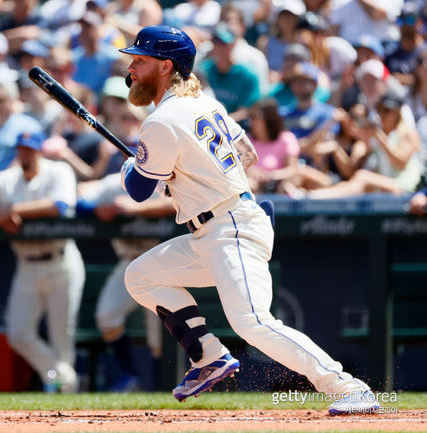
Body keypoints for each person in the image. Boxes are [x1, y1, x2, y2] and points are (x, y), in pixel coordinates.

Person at [117, 24, 379, 414]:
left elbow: (137, 190)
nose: (133, 68)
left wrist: (131, 166)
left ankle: (347, 386)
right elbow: (249, 154)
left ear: (166, 66)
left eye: (141, 60)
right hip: (214, 227)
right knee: (140, 276)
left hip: (229, 227)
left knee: (252, 322)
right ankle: (208, 357)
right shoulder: (206, 103)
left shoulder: (162, 120)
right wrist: (186, 174)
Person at [0, 132, 84, 393]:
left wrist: (13, 211)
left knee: (62, 339)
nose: (25, 154)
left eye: (30, 149)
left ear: (39, 151)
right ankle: (62, 377)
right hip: (26, 264)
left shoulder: (58, 171)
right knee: (18, 333)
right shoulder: (7, 180)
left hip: (60, 262)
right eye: (21, 149)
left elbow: (61, 205)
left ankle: (65, 394)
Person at [78, 171, 174, 391]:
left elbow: (178, 204)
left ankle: (163, 388)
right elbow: (80, 199)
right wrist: (97, 209)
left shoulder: (161, 180)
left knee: (160, 335)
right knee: (107, 316)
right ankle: (130, 375)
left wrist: (136, 209)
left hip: (160, 261)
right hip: (128, 260)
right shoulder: (114, 182)